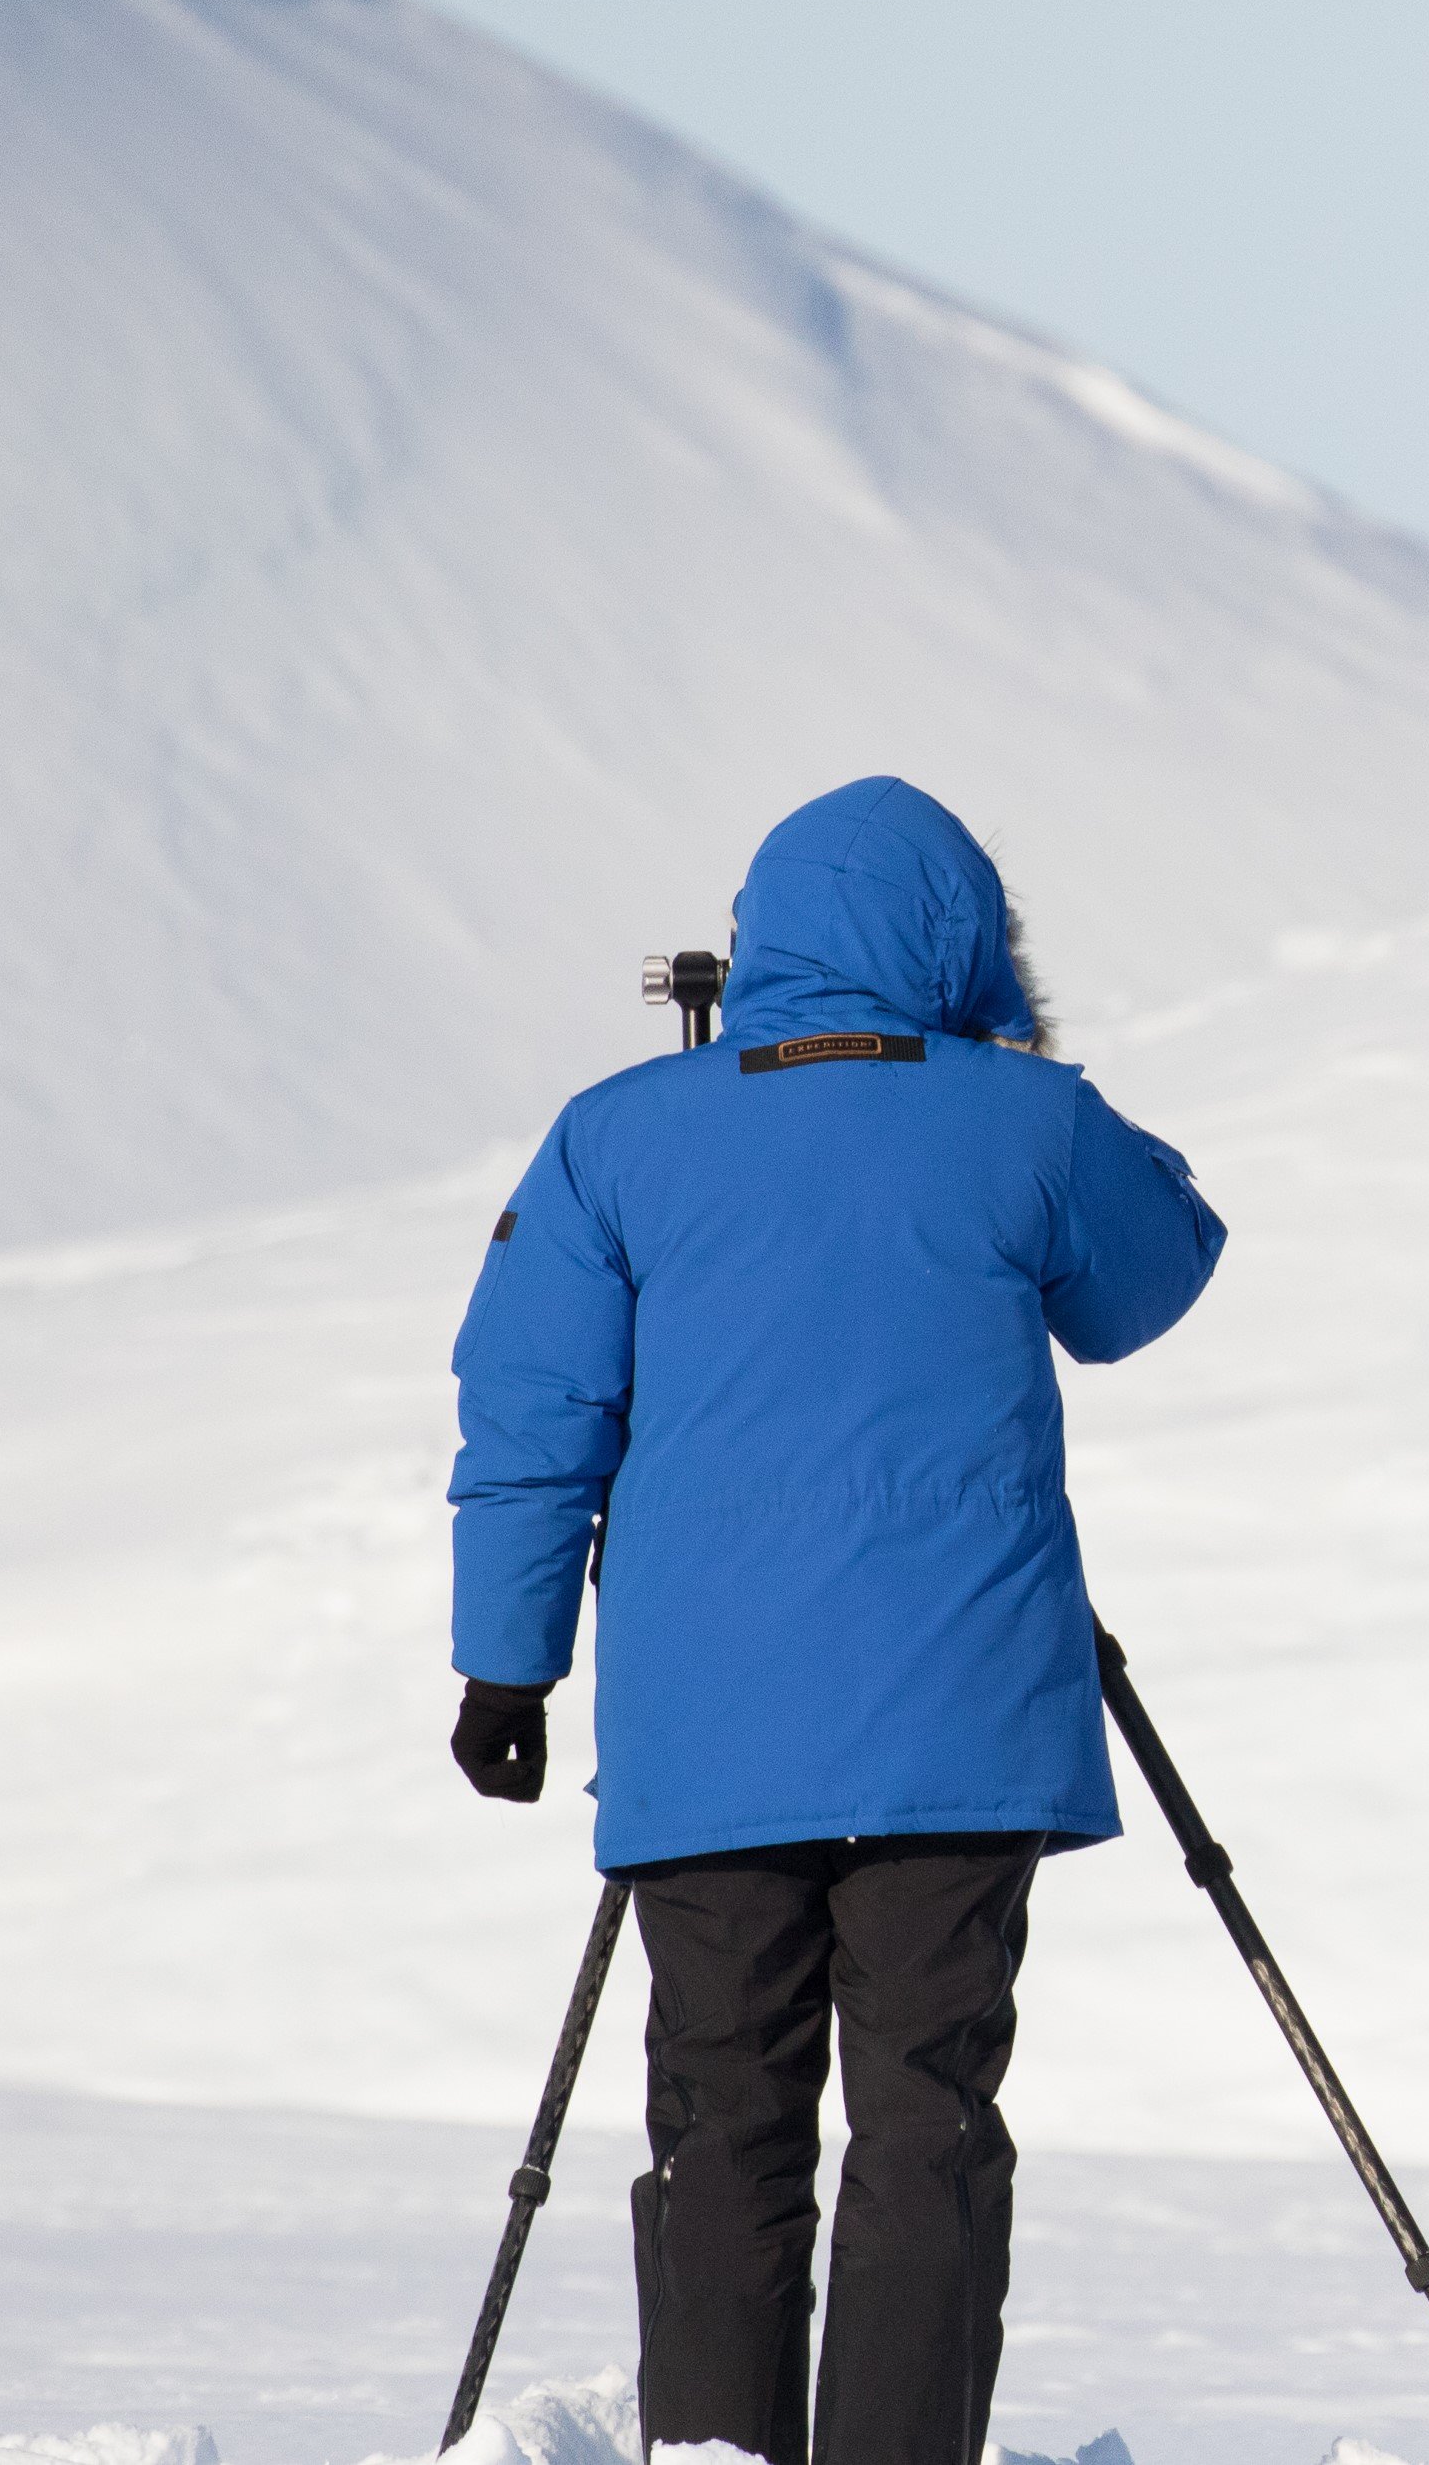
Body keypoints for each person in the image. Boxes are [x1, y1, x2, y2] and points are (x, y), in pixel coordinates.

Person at [445, 776, 1225, 2465]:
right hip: (964, 1729)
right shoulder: (1024, 1118)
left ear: (756, 940)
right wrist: (1018, 1064)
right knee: (927, 2120)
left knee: (722, 2117)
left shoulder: (622, 1132)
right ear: (962, 944)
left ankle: (717, 2453)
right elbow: (1157, 1273)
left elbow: (530, 1408)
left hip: (708, 1735)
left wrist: (507, 1665)